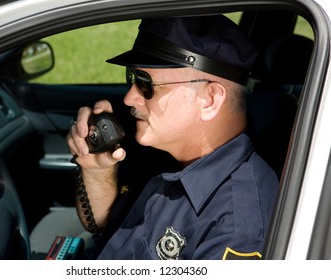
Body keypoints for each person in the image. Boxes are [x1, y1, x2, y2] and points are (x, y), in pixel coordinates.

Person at [67, 15, 279, 260]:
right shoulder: (165, 149)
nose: (129, 98)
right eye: (133, 78)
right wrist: (96, 171)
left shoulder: (236, 226)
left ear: (209, 100)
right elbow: (107, 226)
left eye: (146, 85)